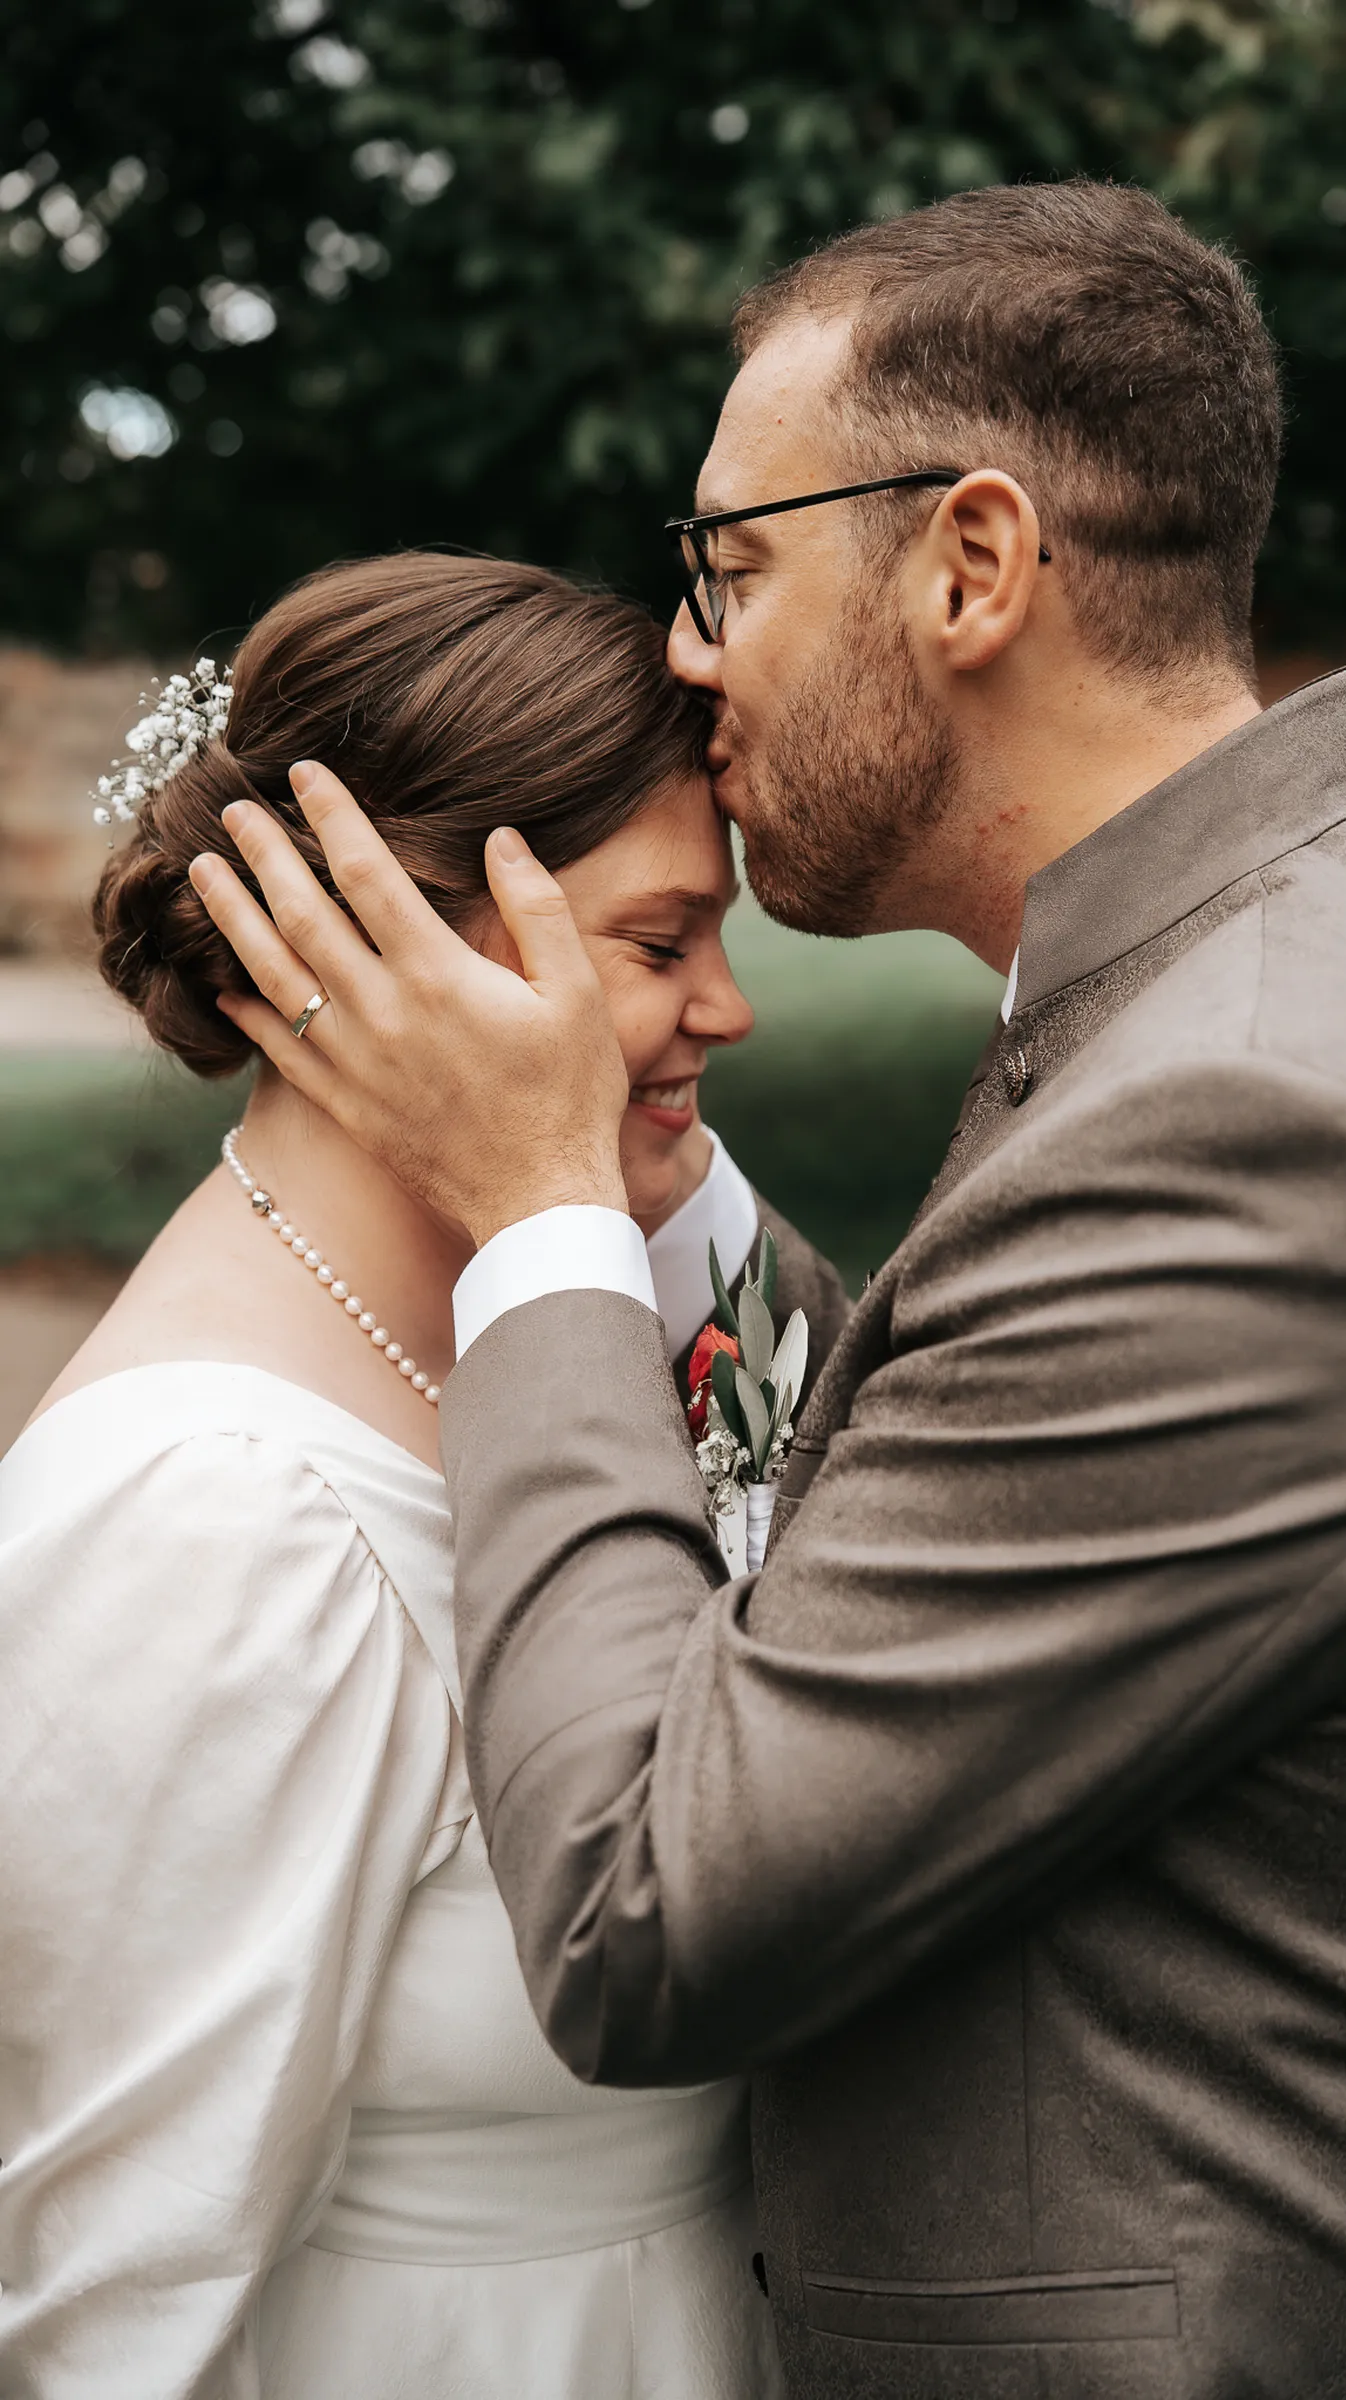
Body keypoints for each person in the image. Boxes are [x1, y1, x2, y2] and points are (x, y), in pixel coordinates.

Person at [194, 184, 1346, 2398]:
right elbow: (980, 1425)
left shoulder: (1253, 1123)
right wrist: (628, 1136)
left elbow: (644, 1916)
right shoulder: (1281, 965)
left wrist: (543, 1203)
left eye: (728, 571)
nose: (686, 649)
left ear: (969, 563)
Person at [0, 552, 845, 2396]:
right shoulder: (211, 1523)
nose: (728, 1008)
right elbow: (120, 2306)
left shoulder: (596, 1301)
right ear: (382, 949)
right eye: (657, 944)